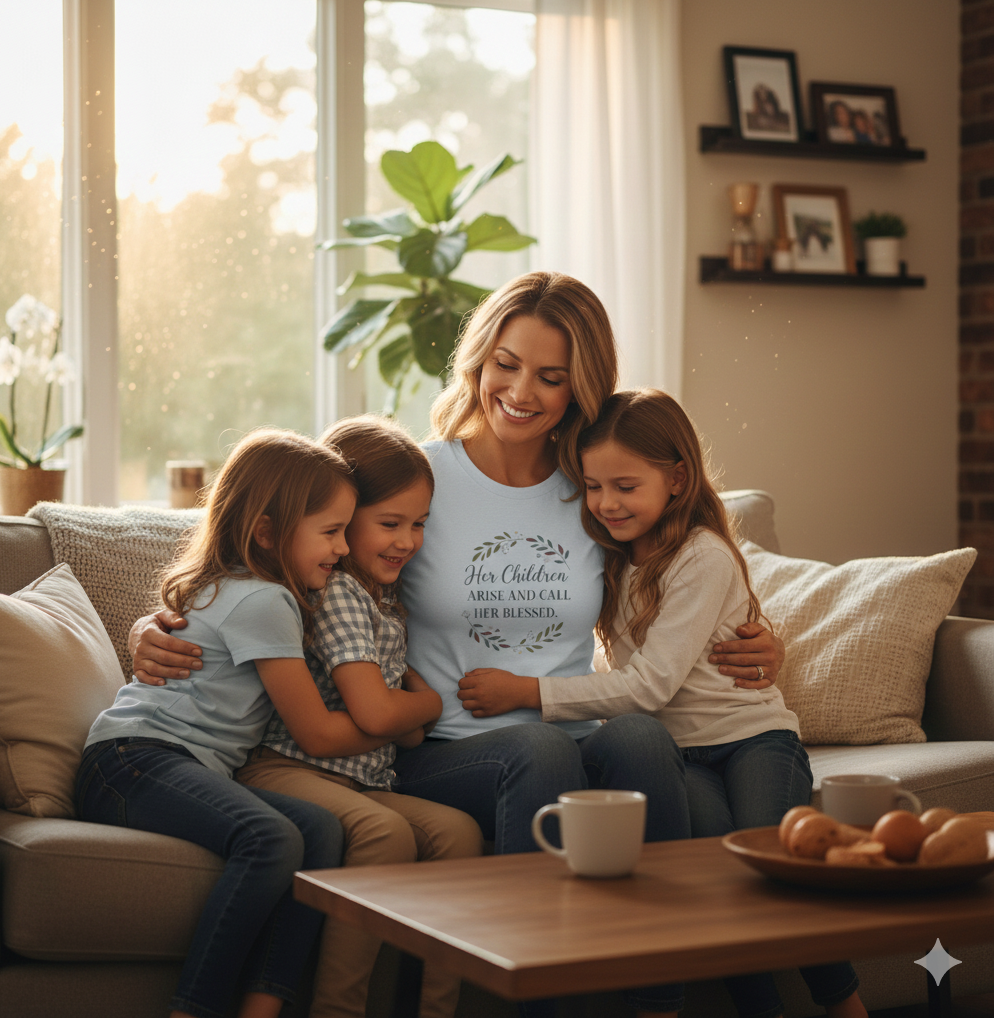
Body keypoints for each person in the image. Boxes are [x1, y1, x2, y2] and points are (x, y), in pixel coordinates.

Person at [127, 274, 783, 866]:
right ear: (480, 361)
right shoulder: (415, 478)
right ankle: (535, 981)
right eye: (506, 364)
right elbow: (277, 531)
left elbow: (681, 570)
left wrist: (760, 635)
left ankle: (657, 986)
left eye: (551, 378)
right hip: (443, 746)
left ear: (581, 386)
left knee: (640, 739)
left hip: (577, 733)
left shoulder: (596, 490)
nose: (521, 392)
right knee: (539, 750)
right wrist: (154, 626)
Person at [456, 388, 865, 1018]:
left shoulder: (700, 555)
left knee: (778, 880)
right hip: (682, 755)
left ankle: (846, 1007)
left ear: (676, 479)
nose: (605, 503)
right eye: (593, 486)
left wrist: (528, 693)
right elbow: (607, 662)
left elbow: (649, 685)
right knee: (723, 886)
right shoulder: (612, 556)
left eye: (624, 485)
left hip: (753, 739)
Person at [75, 428, 369, 1018]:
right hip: (132, 760)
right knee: (271, 838)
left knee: (321, 831)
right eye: (331, 532)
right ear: (266, 531)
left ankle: (260, 1010)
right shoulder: (264, 601)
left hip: (149, 761)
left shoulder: (234, 587)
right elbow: (314, 733)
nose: (343, 549)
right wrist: (414, 712)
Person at [235, 416, 483, 1018]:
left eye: (420, 524)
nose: (408, 541)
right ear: (342, 525)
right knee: (384, 834)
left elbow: (403, 729)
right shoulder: (340, 591)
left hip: (354, 776)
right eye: (390, 524)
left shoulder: (385, 600)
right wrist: (425, 703)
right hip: (289, 767)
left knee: (459, 833)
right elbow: (380, 712)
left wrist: (409, 717)